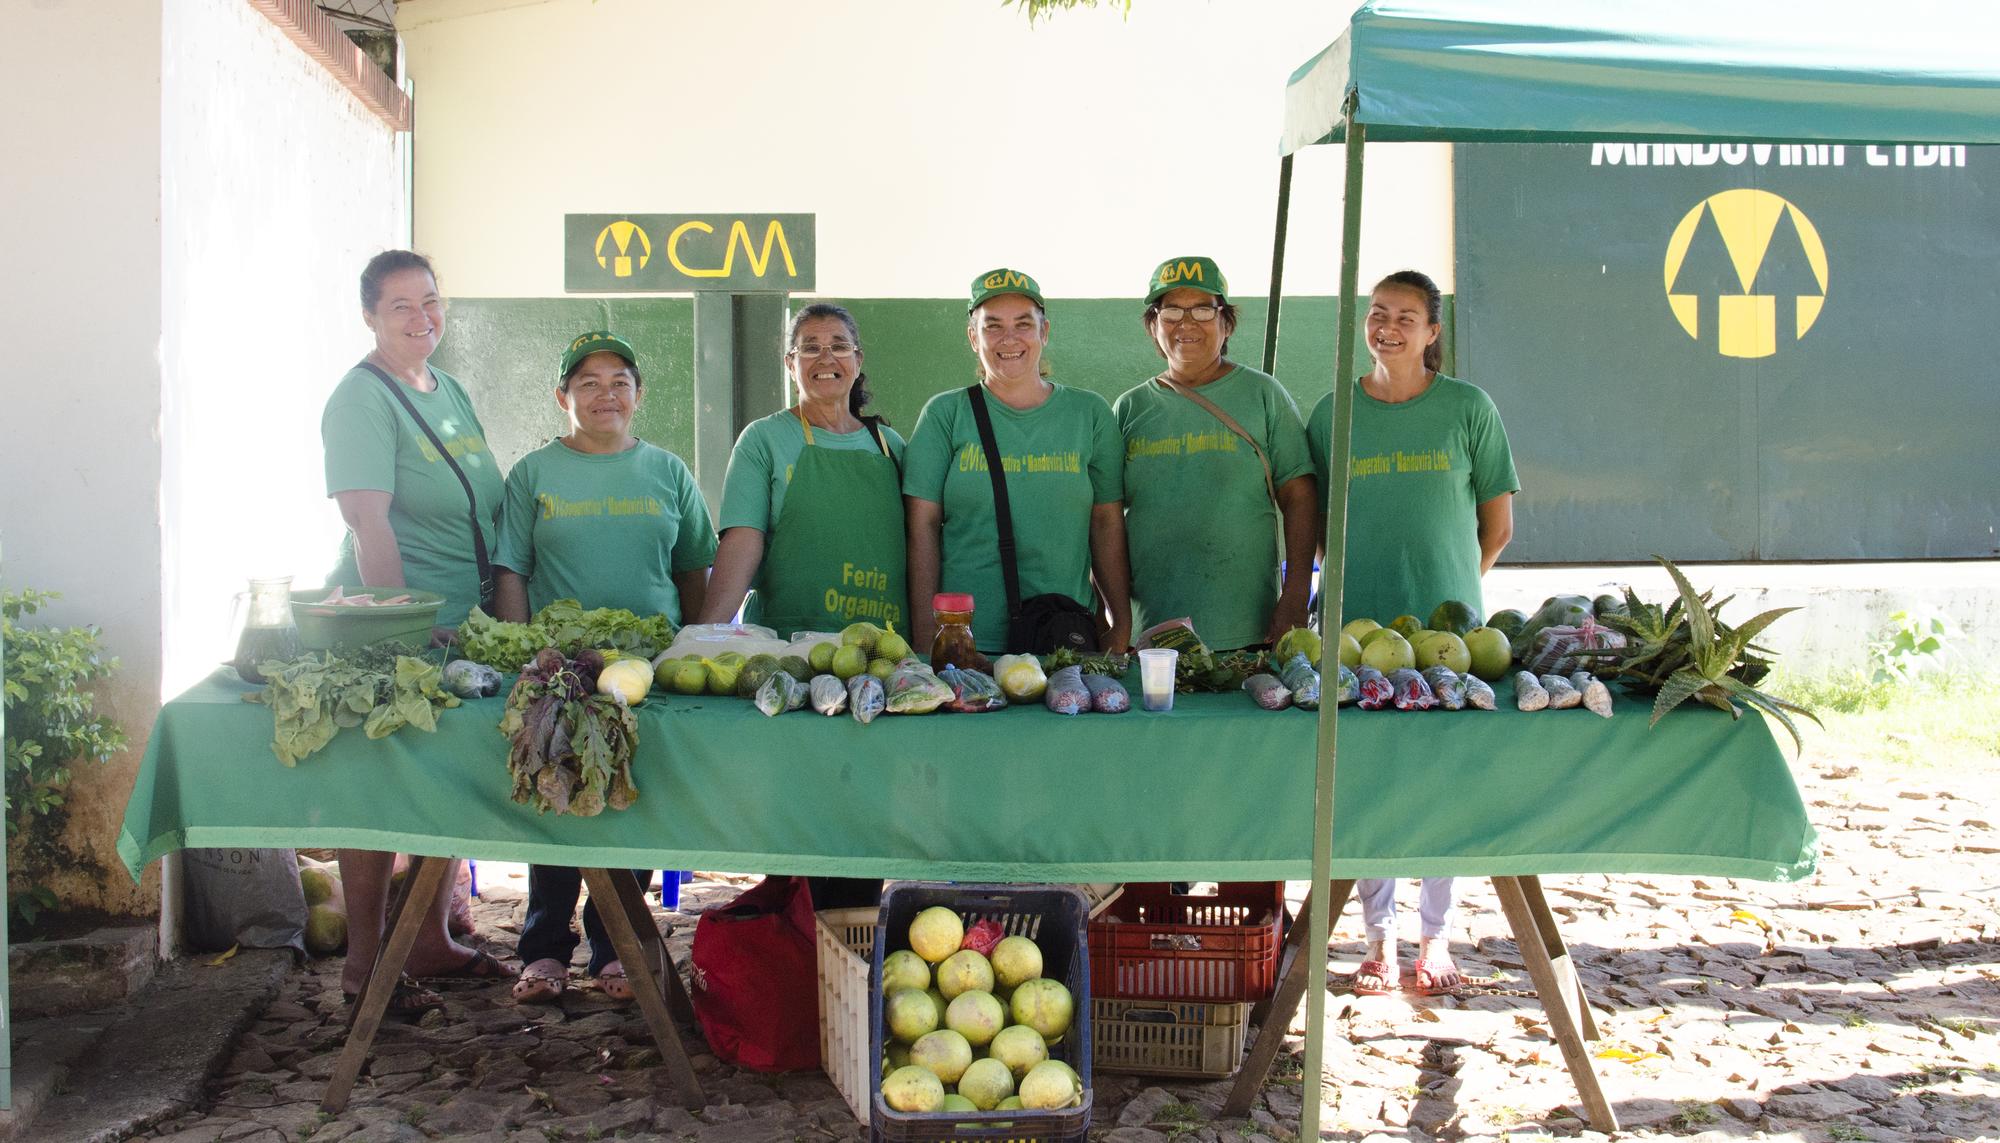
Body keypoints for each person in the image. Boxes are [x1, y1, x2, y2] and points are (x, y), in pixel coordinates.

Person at [1307, 269, 1519, 996]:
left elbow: (1497, 525)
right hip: (1353, 636)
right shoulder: (1333, 413)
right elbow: (1314, 528)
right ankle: (1376, 938)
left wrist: (1450, 589)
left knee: (1440, 783)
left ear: (1433, 332)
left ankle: (1435, 938)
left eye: (1406, 316)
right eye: (1377, 313)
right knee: (1365, 784)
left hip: (1447, 640)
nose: (1388, 326)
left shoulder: (1469, 408)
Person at [493, 330, 716, 1004]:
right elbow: (512, 569)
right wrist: (517, 652)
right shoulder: (534, 473)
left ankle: (616, 944)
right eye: (587, 382)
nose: (604, 394)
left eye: (619, 380)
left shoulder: (668, 471)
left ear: (639, 394)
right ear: (562, 396)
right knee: (555, 791)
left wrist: (691, 647)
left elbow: (694, 568)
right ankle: (543, 947)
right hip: (557, 667)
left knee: (630, 795)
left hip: (642, 669)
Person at [321, 250, 515, 1016]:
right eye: (401, 305)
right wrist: (406, 627)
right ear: (370, 315)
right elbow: (370, 524)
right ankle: (365, 962)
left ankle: (430, 936)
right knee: (376, 788)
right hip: (399, 628)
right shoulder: (360, 399)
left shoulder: (448, 388)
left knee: (443, 778)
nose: (421, 317)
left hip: (461, 627)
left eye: (430, 300)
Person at [903, 269, 1132, 656]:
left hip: (1064, 641)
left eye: (1023, 324)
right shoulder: (945, 414)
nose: (1009, 338)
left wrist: (1120, 622)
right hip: (968, 646)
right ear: (973, 338)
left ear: (1044, 332)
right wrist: (929, 639)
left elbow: (1106, 521)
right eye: (992, 326)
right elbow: (921, 527)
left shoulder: (1089, 413)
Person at [1114, 256, 1316, 649]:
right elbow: (1104, 518)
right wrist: (1114, 614)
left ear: (1226, 324)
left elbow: (1301, 498)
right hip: (1155, 635)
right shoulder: (1130, 409)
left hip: (1251, 630)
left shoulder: (1264, 395)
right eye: (1170, 310)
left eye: (1203, 310)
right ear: (1153, 327)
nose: (1186, 323)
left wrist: (1294, 597)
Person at [698, 303, 908, 637]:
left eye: (839, 347)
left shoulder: (890, 446)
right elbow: (742, 541)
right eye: (810, 348)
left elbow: (920, 545)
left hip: (883, 645)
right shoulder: (763, 439)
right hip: (786, 646)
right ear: (790, 364)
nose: (826, 359)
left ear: (858, 361)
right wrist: (705, 633)